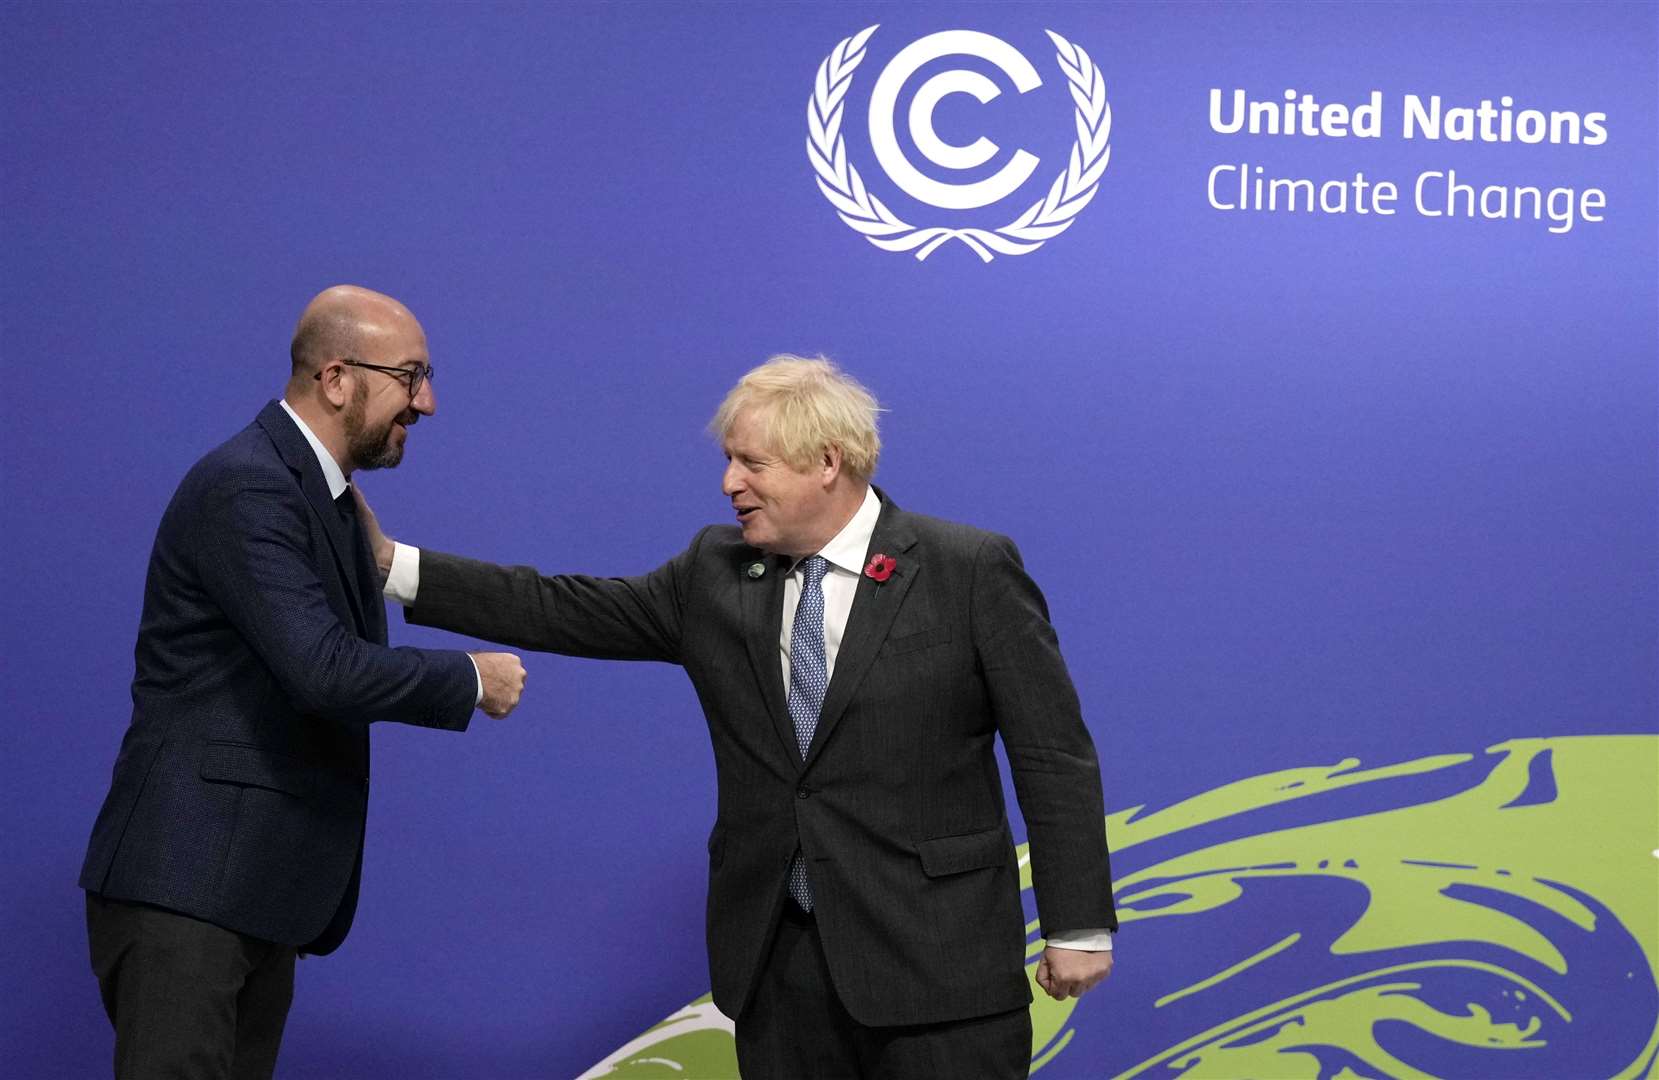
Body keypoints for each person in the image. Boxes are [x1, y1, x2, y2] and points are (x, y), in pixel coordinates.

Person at [370, 355, 1115, 1078]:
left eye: (751, 464)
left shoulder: (968, 569)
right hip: (779, 969)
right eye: (730, 461)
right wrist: (391, 566)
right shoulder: (714, 573)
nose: (730, 484)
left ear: (826, 461)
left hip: (938, 966)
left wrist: (1076, 924)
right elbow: (559, 605)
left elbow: (1051, 754)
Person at [78, 285, 528, 1080]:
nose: (426, 402)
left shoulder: (310, 494)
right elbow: (322, 671)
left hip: (246, 891)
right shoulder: (249, 485)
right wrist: (468, 678)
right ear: (336, 378)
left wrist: (388, 564)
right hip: (189, 889)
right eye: (411, 375)